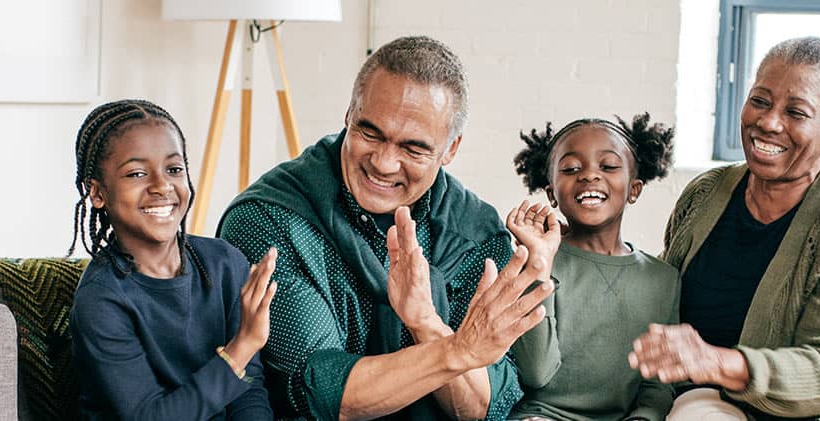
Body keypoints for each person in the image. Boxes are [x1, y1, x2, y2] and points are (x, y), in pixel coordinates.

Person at [217, 36, 552, 420]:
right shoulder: (270, 219)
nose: (384, 162)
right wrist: (455, 351)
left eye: (413, 149)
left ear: (451, 149)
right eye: (370, 132)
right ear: (349, 113)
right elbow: (321, 394)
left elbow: (481, 409)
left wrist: (425, 322)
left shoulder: (475, 233)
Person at [627, 37, 820, 420]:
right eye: (760, 101)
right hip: (723, 401)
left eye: (796, 112)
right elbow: (660, 295)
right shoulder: (706, 193)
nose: (768, 122)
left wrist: (714, 362)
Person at [68, 99, 275, 420]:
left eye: (174, 169)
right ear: (97, 193)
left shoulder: (225, 264)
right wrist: (242, 346)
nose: (162, 185)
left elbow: (249, 389)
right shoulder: (101, 298)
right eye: (137, 173)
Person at [503, 114, 680, 421]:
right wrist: (539, 264)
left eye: (608, 166)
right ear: (551, 194)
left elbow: (658, 385)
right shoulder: (534, 263)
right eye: (571, 169)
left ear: (634, 189)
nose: (589, 176)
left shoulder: (663, 279)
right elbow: (537, 373)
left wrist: (644, 417)